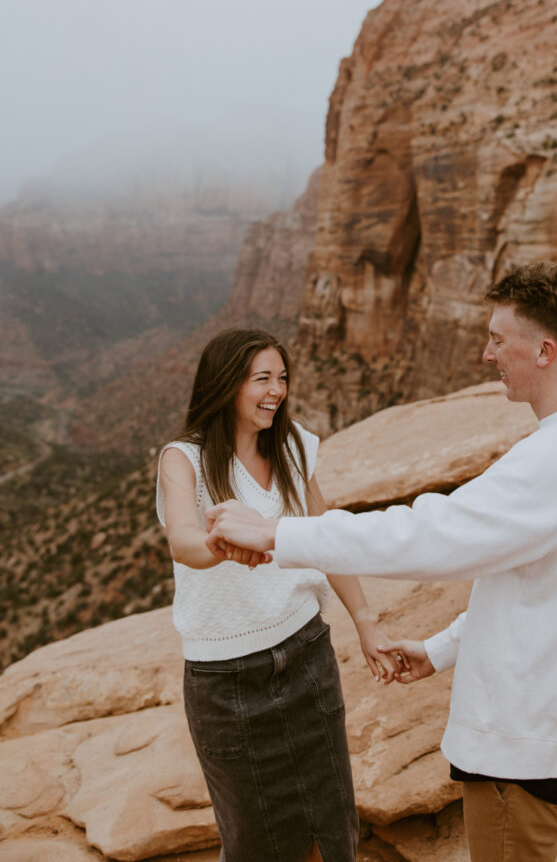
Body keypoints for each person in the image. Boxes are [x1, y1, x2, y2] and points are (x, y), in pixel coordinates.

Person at [205, 262, 557, 862]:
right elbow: (531, 585)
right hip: (533, 738)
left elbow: (430, 535)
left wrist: (278, 533)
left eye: (497, 338)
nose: (487, 355)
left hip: (521, 749)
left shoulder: (556, 458)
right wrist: (440, 650)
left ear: (544, 349)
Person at [156, 327, 404, 862]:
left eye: (282, 378)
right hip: (226, 682)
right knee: (255, 842)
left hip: (307, 660)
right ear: (226, 384)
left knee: (331, 827)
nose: (276, 391)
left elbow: (327, 538)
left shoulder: (293, 448)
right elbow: (182, 539)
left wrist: (365, 621)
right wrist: (221, 543)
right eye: (262, 379)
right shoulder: (185, 459)